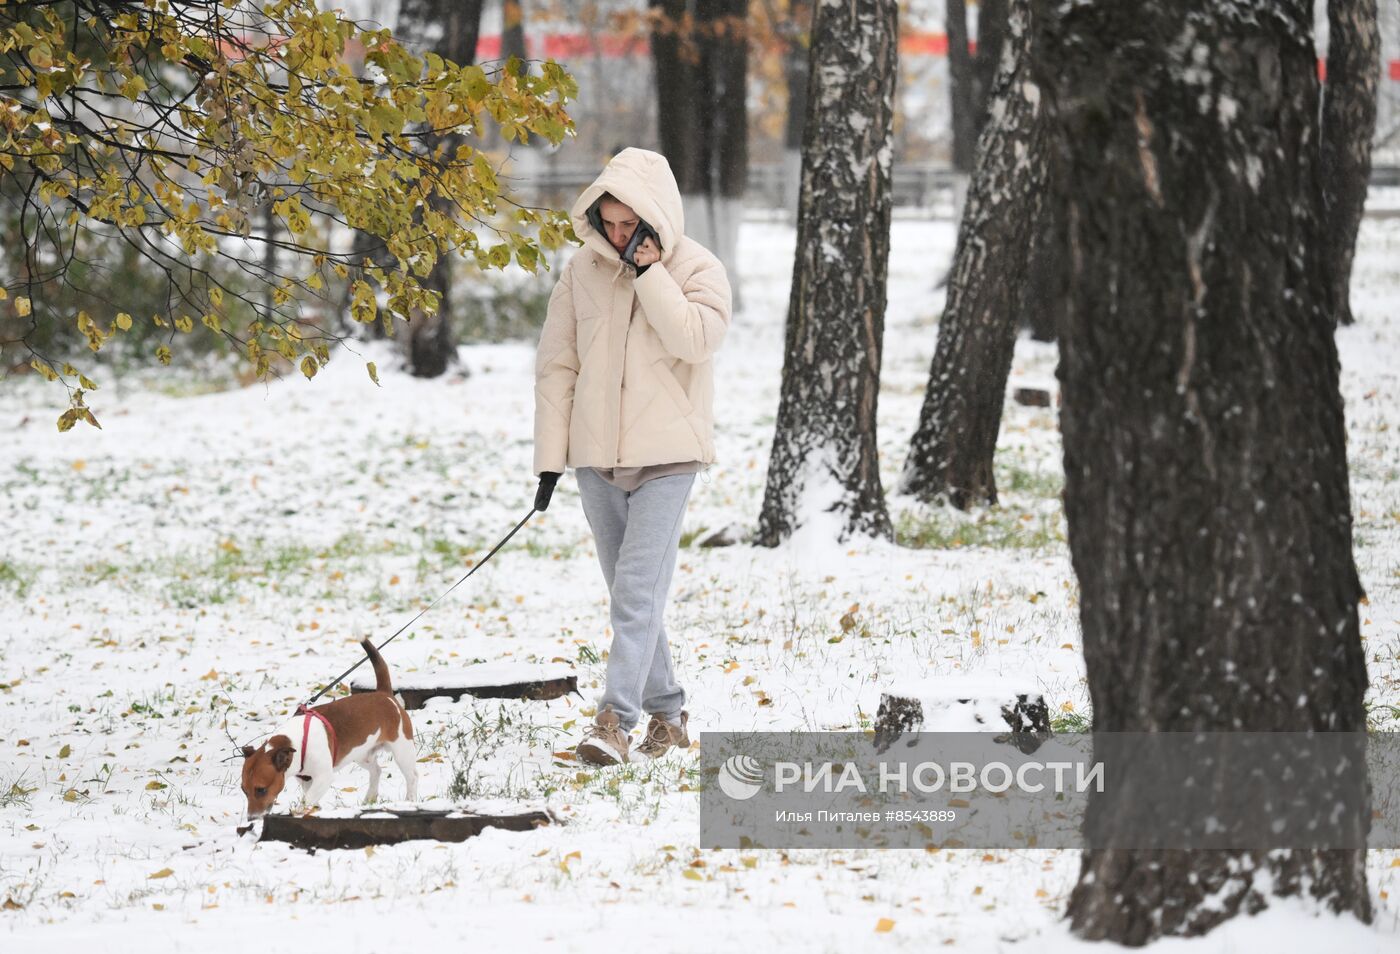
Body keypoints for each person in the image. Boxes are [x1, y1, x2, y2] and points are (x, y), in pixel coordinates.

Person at [531, 148, 731, 765]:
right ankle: (668, 715)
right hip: (597, 458)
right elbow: (557, 364)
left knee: (636, 593)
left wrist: (651, 274)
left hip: (668, 458)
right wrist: (549, 460)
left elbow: (696, 341)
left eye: (630, 225)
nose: (618, 236)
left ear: (654, 219)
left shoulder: (698, 268)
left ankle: (614, 722)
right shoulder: (580, 272)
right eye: (610, 223)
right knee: (629, 591)